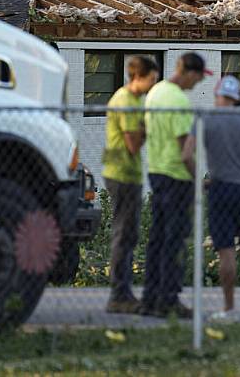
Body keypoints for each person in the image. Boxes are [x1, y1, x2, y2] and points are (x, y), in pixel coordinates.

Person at [183, 75, 240, 324]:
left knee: (226, 252)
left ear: (217, 94)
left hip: (220, 188)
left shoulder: (206, 120)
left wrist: (199, 181)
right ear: (237, 97)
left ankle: (229, 309)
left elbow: (186, 155)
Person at [140, 52, 211, 318]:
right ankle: (169, 299)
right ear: (190, 73)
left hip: (156, 171)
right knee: (175, 240)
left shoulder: (155, 93)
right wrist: (196, 180)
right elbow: (185, 151)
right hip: (176, 176)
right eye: (198, 78)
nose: (198, 84)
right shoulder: (179, 101)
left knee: (157, 239)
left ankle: (149, 297)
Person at [102, 56, 159, 314]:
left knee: (129, 233)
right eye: (152, 79)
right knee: (124, 234)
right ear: (138, 77)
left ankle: (123, 291)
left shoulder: (136, 100)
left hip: (129, 173)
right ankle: (119, 294)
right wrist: (150, 124)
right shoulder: (125, 101)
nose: (153, 85)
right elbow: (133, 144)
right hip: (121, 173)